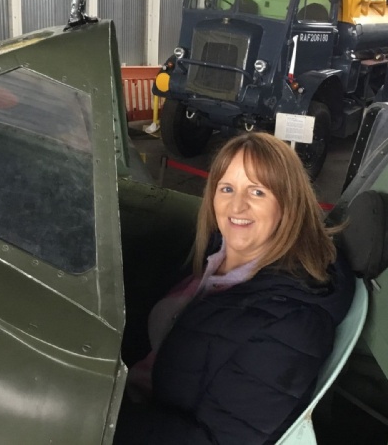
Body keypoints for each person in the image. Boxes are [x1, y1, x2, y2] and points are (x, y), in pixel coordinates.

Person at [114, 132, 355, 444]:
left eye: (257, 192)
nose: (237, 206)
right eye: (227, 188)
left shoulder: (292, 326)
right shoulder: (216, 252)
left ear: (288, 204)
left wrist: (103, 416)